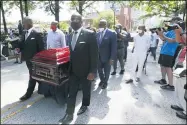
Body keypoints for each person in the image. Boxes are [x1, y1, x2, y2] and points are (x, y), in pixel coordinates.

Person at [58, 13, 98, 124]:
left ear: (81, 22)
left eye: (76, 19)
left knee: (86, 90)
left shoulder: (90, 34)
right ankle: (69, 114)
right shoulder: (70, 35)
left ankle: (85, 105)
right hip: (73, 71)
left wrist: (92, 71)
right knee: (72, 93)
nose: (74, 21)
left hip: (86, 71)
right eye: (72, 19)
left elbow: (94, 55)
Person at [18, 16, 44, 101]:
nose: (23, 25)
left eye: (24, 23)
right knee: (34, 75)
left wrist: (39, 61)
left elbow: (41, 49)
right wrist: (19, 48)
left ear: (28, 23)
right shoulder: (24, 33)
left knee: (32, 76)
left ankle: (28, 93)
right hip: (27, 60)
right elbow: (23, 45)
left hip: (35, 61)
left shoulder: (37, 34)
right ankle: (44, 88)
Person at [154, 17, 182, 91]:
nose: (171, 24)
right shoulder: (171, 31)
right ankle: (163, 80)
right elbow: (163, 38)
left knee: (168, 67)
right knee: (162, 66)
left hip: (169, 52)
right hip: (163, 51)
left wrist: (162, 35)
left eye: (173, 22)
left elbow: (172, 41)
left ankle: (171, 85)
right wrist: (159, 33)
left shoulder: (178, 32)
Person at [96, 19, 117, 89]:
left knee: (107, 71)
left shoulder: (112, 33)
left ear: (105, 25)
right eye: (99, 25)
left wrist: (112, 58)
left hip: (107, 57)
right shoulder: (98, 33)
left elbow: (114, 47)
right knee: (99, 70)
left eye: (101, 25)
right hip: (98, 57)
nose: (99, 26)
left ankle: (105, 82)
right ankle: (102, 80)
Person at [171, 32, 186, 120]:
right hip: (180, 68)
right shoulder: (183, 45)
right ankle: (181, 105)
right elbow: (178, 40)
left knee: (183, 91)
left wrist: (180, 31)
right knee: (179, 89)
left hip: (184, 71)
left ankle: (185, 111)